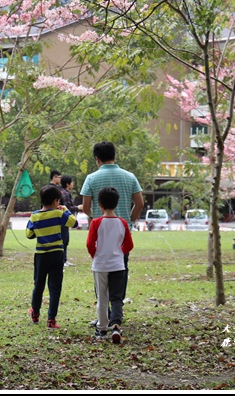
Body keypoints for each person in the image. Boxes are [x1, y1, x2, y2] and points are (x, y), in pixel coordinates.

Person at [80, 141, 144, 326]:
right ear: (114, 156)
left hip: (100, 235)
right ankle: (117, 313)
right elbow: (139, 203)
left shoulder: (91, 178)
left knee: (100, 274)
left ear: (96, 159)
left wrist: (97, 218)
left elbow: (85, 207)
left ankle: (104, 315)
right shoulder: (130, 177)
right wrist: (129, 220)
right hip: (122, 235)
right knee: (120, 271)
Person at [26, 184, 77, 329]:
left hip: (41, 256)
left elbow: (29, 234)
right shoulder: (59, 213)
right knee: (55, 288)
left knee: (39, 285)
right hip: (57, 255)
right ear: (56, 201)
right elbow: (74, 223)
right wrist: (65, 209)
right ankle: (51, 320)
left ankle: (35, 313)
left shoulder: (35, 215)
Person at [86, 187, 134, 344]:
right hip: (118, 265)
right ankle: (116, 326)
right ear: (116, 203)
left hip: (100, 265)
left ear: (99, 204)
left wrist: (96, 255)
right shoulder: (122, 223)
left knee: (102, 297)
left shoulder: (96, 222)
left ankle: (102, 329)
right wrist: (119, 253)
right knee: (116, 298)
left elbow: (90, 244)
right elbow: (129, 244)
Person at [58, 174, 82, 267]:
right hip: (64, 220)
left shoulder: (63, 192)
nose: (73, 184)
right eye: (72, 182)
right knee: (64, 240)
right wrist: (78, 207)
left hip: (64, 220)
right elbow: (67, 208)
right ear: (68, 184)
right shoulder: (65, 193)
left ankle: (64, 260)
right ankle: (62, 261)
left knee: (65, 240)